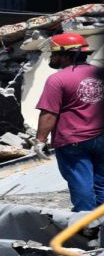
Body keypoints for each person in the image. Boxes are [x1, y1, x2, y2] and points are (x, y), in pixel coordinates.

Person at [34, 32, 104, 212]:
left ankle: (89, 228)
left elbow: (49, 114)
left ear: (65, 55)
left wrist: (40, 141)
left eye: (54, 53)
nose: (51, 56)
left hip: (73, 142)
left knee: (81, 184)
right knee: (102, 184)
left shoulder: (57, 80)